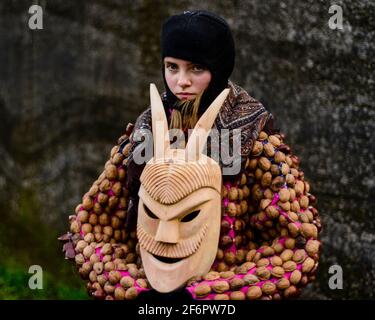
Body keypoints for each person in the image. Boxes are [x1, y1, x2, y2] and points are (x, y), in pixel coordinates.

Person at [61, 10, 321, 301]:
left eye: (196, 68)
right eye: (172, 67)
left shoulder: (253, 138)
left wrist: (209, 296)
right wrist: (131, 288)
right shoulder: (145, 132)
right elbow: (89, 227)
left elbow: (297, 244)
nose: (181, 81)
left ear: (219, 68)